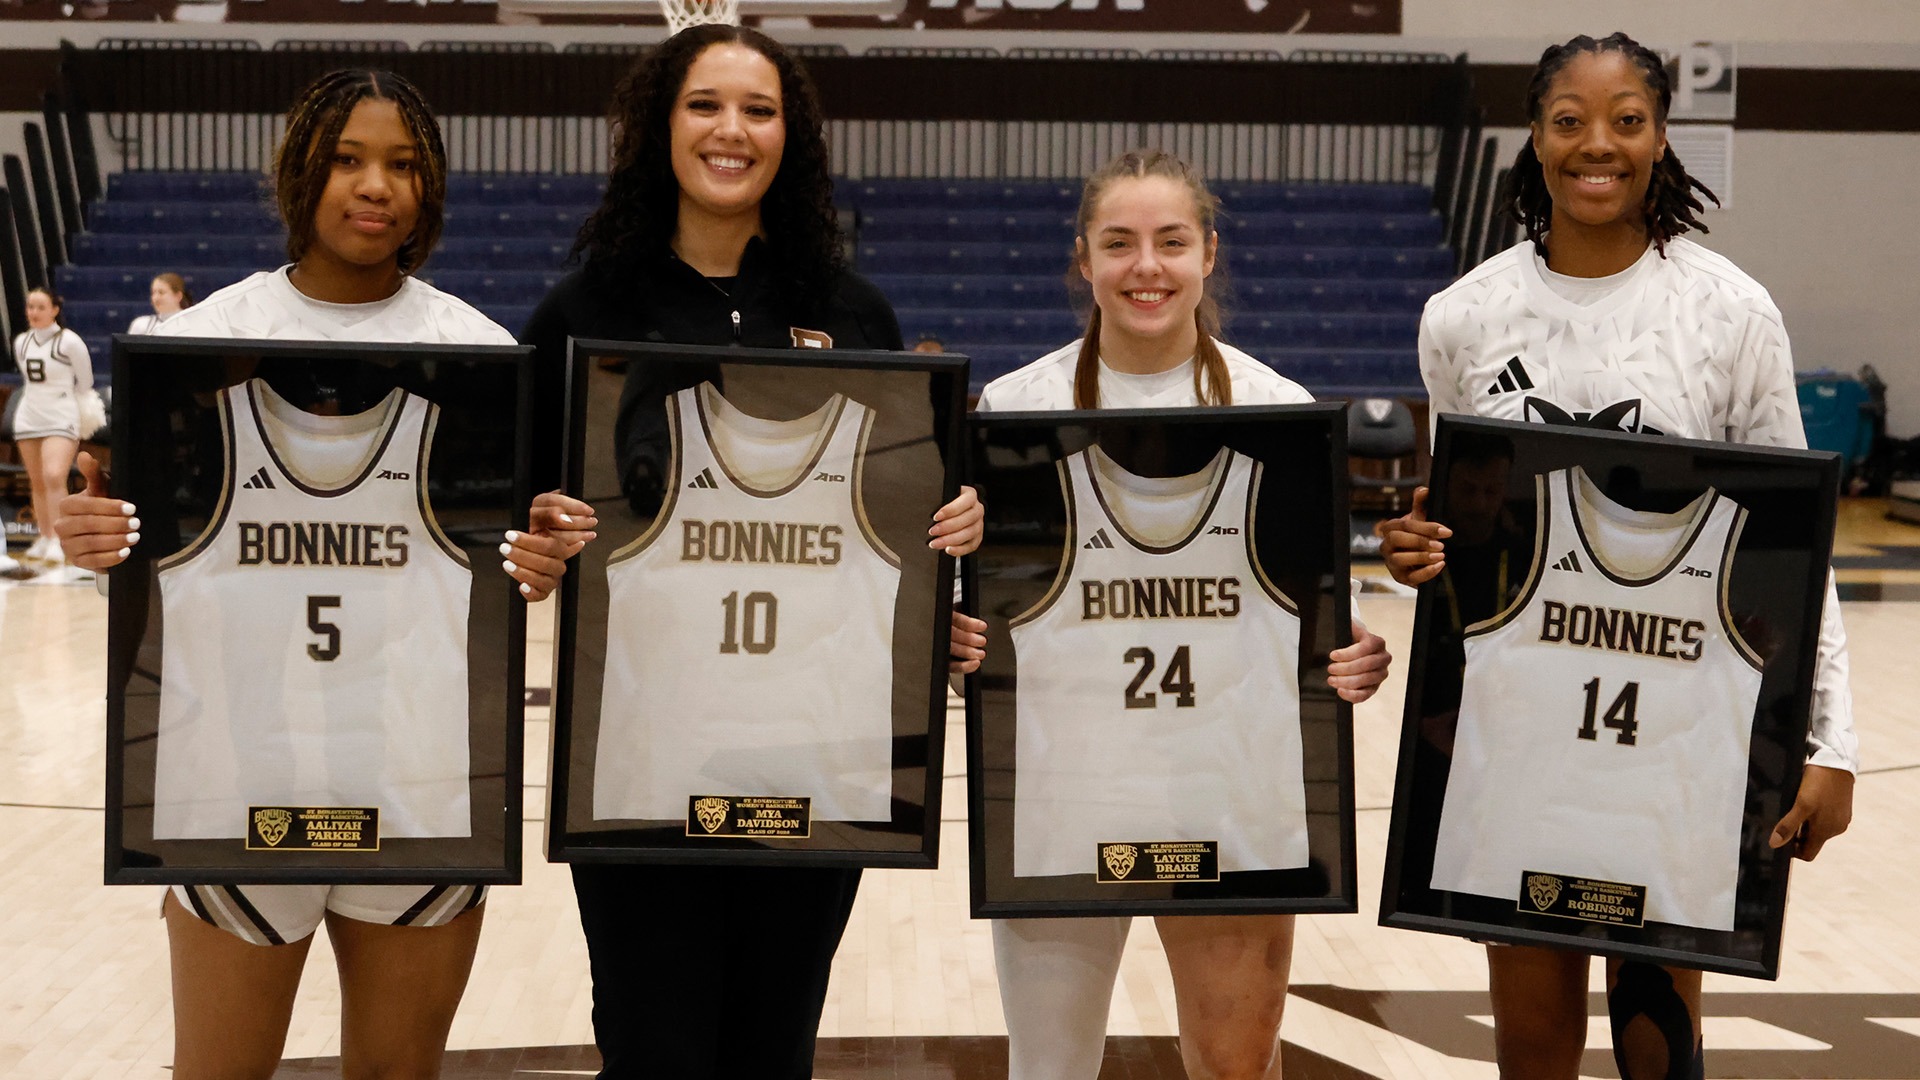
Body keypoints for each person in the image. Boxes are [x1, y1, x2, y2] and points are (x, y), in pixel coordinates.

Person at [54, 68, 587, 1079]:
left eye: (403, 164)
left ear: (430, 191)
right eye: (348, 159)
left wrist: (543, 554)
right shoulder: (204, 345)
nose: (374, 185)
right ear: (302, 170)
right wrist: (97, 543)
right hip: (231, 779)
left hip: (419, 782)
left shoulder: (474, 355)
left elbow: (510, 561)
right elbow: (141, 546)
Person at [1375, 33, 1856, 1079]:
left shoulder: (1729, 312)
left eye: (1627, 119)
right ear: (1535, 138)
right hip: (1522, 732)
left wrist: (1833, 744)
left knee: (1658, 1052)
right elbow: (1465, 519)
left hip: (1677, 730)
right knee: (1534, 1048)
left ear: (1661, 136)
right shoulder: (1461, 318)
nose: (1599, 145)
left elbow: (1795, 538)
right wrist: (1418, 548)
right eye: (1570, 120)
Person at [518, 24, 983, 1080]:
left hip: (813, 752)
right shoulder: (584, 314)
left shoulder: (849, 311)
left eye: (759, 110)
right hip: (638, 755)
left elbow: (907, 516)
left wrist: (952, 546)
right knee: (653, 1050)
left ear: (793, 136)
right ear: (660, 126)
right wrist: (535, 543)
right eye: (705, 105)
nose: (732, 130)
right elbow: (508, 520)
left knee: (774, 1050)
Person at [975, 148, 1392, 1080]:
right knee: (1048, 1066)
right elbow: (991, 609)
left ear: (1208, 252)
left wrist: (1353, 652)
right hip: (1061, 784)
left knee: (1235, 1068)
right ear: (1083, 260)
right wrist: (959, 642)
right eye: (1118, 244)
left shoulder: (1276, 409)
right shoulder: (1015, 409)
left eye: (1170, 242)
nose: (1146, 267)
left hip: (1230, 783)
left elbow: (1324, 614)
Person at [9, 286, 93, 569]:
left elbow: (86, 381)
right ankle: (44, 536)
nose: (33, 313)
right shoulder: (21, 341)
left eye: (40, 307)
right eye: (30, 307)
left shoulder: (69, 341)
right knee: (36, 480)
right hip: (29, 415)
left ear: (55, 310)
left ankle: (60, 539)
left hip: (61, 413)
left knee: (54, 475)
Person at [128, 272, 193, 334]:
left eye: (161, 292)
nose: (156, 298)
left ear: (178, 296)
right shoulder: (141, 325)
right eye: (153, 293)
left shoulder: (192, 324)